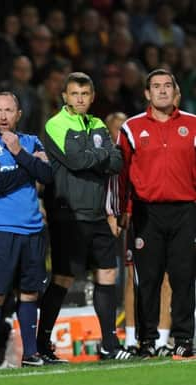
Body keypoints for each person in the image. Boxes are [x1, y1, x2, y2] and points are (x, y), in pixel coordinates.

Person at [39, 72, 131, 361]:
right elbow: (75, 161)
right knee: (63, 279)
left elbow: (117, 162)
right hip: (68, 215)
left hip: (97, 214)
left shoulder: (98, 123)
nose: (79, 99)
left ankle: (109, 346)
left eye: (85, 94)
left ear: (92, 97)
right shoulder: (56, 124)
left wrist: (97, 155)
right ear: (65, 96)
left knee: (107, 275)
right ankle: (42, 344)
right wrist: (100, 153)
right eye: (74, 94)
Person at [0, 91, 53, 369]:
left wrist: (18, 153)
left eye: (8, 110)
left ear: (18, 114)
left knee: (29, 293)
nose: (3, 116)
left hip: (31, 229)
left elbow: (48, 176)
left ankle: (30, 354)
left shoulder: (31, 141)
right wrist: (29, 162)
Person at [117, 69, 196, 358]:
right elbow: (120, 175)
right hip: (145, 212)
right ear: (147, 94)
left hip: (186, 211)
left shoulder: (194, 125)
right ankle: (147, 341)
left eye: (167, 86)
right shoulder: (131, 128)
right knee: (146, 279)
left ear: (176, 92)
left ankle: (184, 339)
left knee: (183, 277)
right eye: (156, 87)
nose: (162, 91)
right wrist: (121, 210)